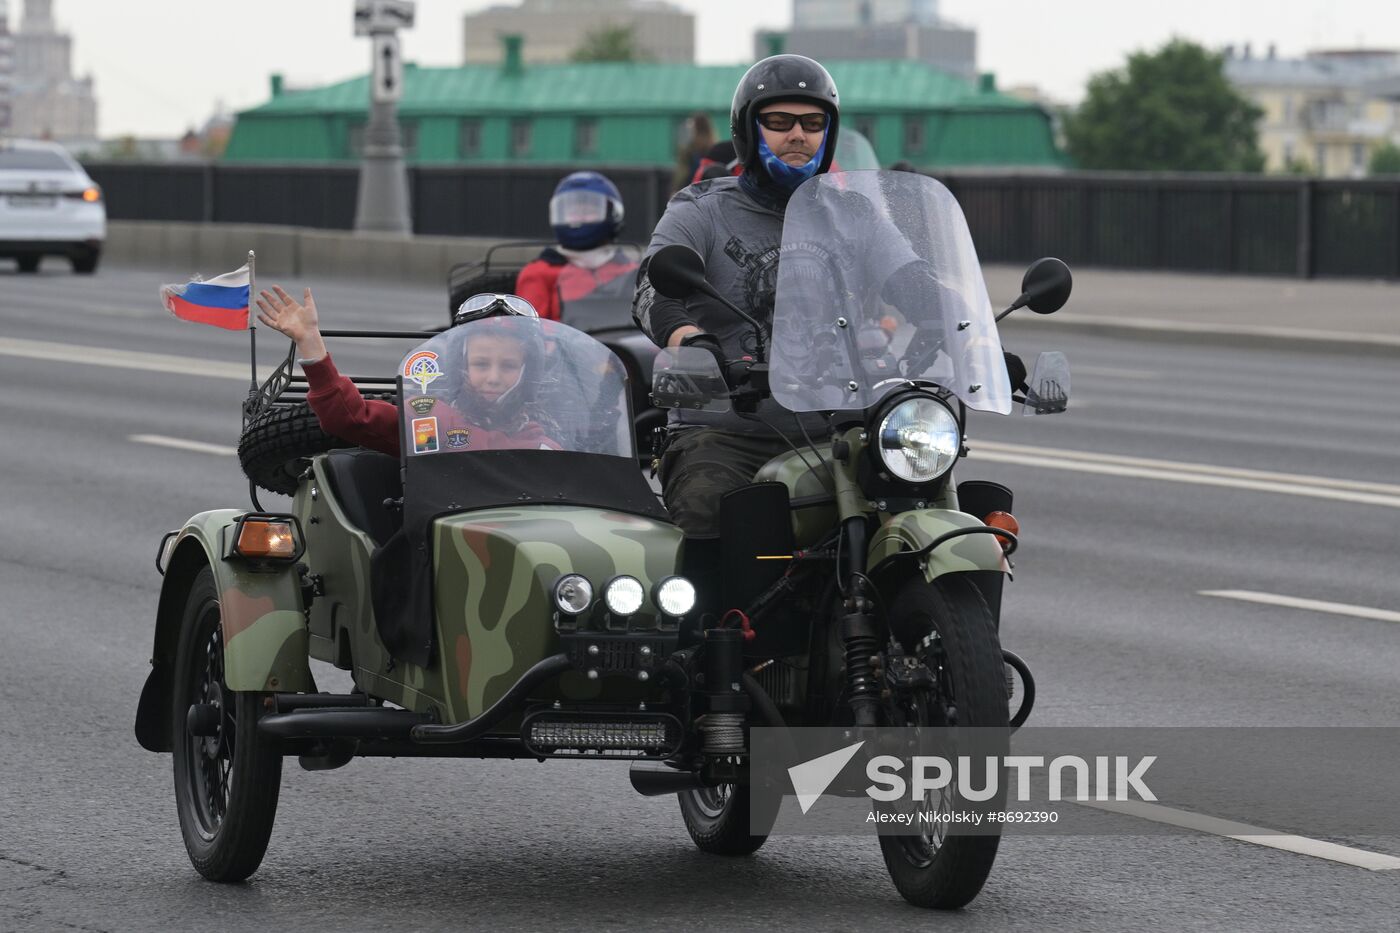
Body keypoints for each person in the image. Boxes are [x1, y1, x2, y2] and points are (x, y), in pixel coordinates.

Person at [631, 54, 1026, 541]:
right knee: (708, 517)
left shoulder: (853, 213)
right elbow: (653, 287)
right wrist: (690, 340)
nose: (798, 134)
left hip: (846, 426)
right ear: (747, 130)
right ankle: (701, 619)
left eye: (813, 123)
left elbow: (916, 284)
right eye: (778, 122)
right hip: (729, 430)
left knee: (933, 507)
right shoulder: (700, 208)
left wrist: (973, 340)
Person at [254, 286, 557, 457]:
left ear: (527, 372)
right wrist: (310, 341)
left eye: (508, 366)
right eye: (480, 364)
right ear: (459, 367)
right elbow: (349, 418)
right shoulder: (430, 422)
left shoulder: (545, 446)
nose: (493, 376)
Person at [513, 171, 635, 322]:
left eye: (589, 211)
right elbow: (531, 335)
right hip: (564, 345)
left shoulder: (630, 271)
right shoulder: (539, 273)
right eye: (573, 212)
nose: (580, 218)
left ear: (612, 213)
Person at [673, 112, 717, 192]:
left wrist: (676, 190)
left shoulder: (690, 148)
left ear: (695, 127)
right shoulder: (714, 147)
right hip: (709, 190)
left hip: (691, 189)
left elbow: (683, 173)